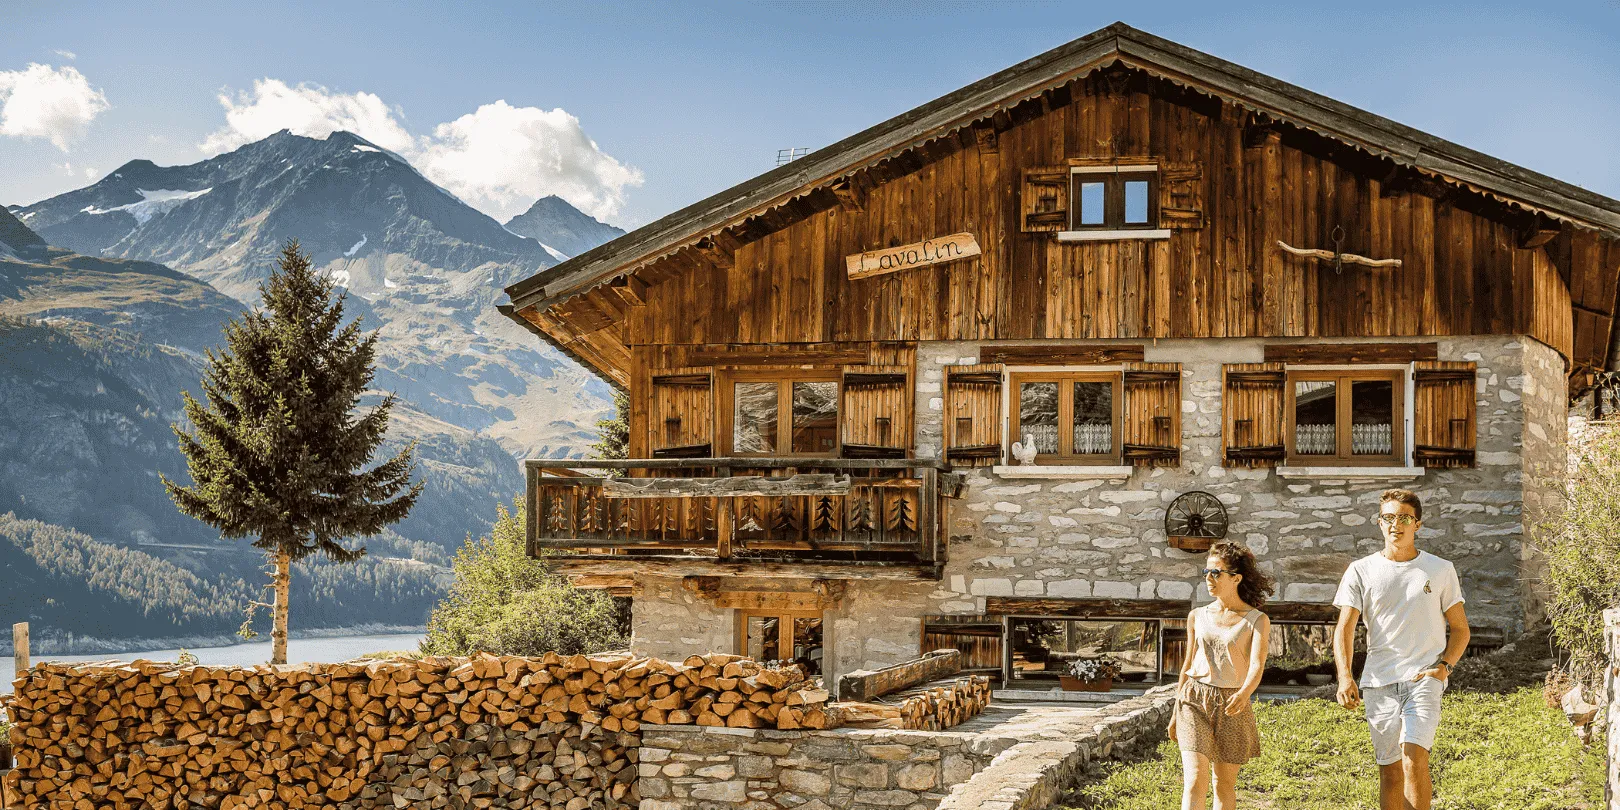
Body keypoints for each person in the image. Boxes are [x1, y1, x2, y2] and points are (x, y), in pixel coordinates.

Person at [1333, 488, 1470, 810]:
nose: (1397, 525)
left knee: (1414, 758)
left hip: (1424, 679)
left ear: (1417, 524)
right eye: (1389, 518)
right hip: (1378, 682)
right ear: (1380, 523)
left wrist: (1444, 668)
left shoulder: (1439, 569)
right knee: (1390, 771)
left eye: (1405, 518)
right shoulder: (1361, 570)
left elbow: (1461, 629)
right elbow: (1345, 629)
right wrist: (1345, 677)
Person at [1168, 541, 1274, 810]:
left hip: (1232, 704)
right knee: (1194, 779)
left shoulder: (1257, 620)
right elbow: (1187, 662)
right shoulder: (1197, 616)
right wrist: (1176, 710)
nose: (1209, 578)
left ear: (1236, 578)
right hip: (1193, 699)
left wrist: (1244, 693)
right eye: (1206, 572)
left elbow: (1257, 665)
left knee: (1223, 784)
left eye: (1216, 573)